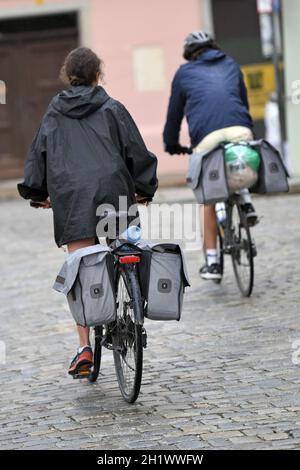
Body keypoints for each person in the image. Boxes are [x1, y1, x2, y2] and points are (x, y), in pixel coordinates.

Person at [17, 47, 158, 376]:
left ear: (68, 75)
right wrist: (145, 187)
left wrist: (39, 193)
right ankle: (129, 299)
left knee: (80, 270)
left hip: (72, 196)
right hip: (114, 192)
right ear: (99, 75)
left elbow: (40, 152)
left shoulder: (55, 111)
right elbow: (135, 150)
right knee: (124, 247)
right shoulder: (112, 107)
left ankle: (84, 350)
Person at [163, 31, 258, 280]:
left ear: (190, 53)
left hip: (207, 136)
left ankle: (213, 263)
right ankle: (246, 201)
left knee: (208, 197)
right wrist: (246, 129)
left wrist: (171, 143)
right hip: (240, 128)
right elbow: (242, 101)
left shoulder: (184, 73)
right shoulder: (231, 64)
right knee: (237, 162)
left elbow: (174, 114)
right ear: (213, 46)